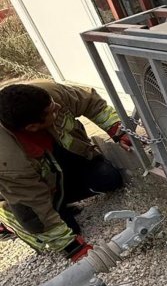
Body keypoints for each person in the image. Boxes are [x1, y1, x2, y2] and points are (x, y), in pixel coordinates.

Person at [0, 80, 131, 260]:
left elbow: (91, 102)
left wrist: (117, 129)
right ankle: (8, 216)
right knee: (50, 225)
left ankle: (59, 201)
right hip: (25, 188)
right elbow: (33, 203)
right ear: (32, 127)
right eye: (52, 111)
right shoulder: (9, 162)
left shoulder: (48, 93)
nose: (58, 107)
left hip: (56, 158)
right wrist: (74, 249)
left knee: (108, 179)